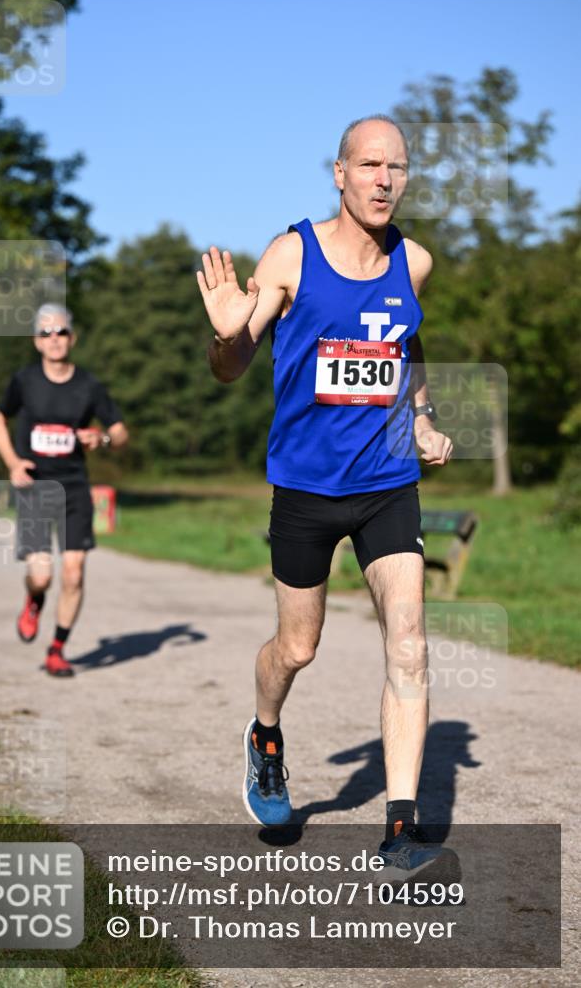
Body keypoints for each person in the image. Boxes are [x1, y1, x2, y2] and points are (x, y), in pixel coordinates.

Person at [199, 116, 454, 874]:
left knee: (407, 646)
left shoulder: (413, 262)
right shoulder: (291, 254)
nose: (383, 179)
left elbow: (404, 354)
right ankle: (266, 737)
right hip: (305, 490)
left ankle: (400, 832)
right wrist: (223, 335)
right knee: (297, 647)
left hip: (385, 485)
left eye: (397, 167)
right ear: (337, 173)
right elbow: (231, 366)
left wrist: (423, 418)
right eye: (369, 165)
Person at [0, 304, 128, 678]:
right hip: (35, 486)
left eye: (61, 332)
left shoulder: (89, 386)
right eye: (46, 333)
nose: (55, 339)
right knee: (42, 576)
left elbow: (119, 431)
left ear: (72, 338)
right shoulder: (25, 380)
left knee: (73, 573)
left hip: (74, 486)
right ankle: (33, 600)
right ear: (37, 341)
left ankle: (57, 649)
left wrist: (100, 437)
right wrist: (13, 462)